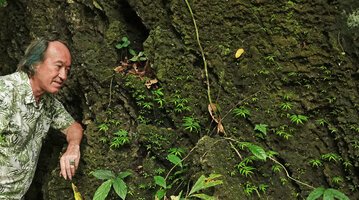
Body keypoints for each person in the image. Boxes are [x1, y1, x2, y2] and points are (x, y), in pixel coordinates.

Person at [0, 38, 83, 199]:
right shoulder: (5, 94)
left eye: (67, 70)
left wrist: (73, 147)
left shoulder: (48, 102)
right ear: (34, 64)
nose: (63, 76)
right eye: (58, 66)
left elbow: (74, 127)